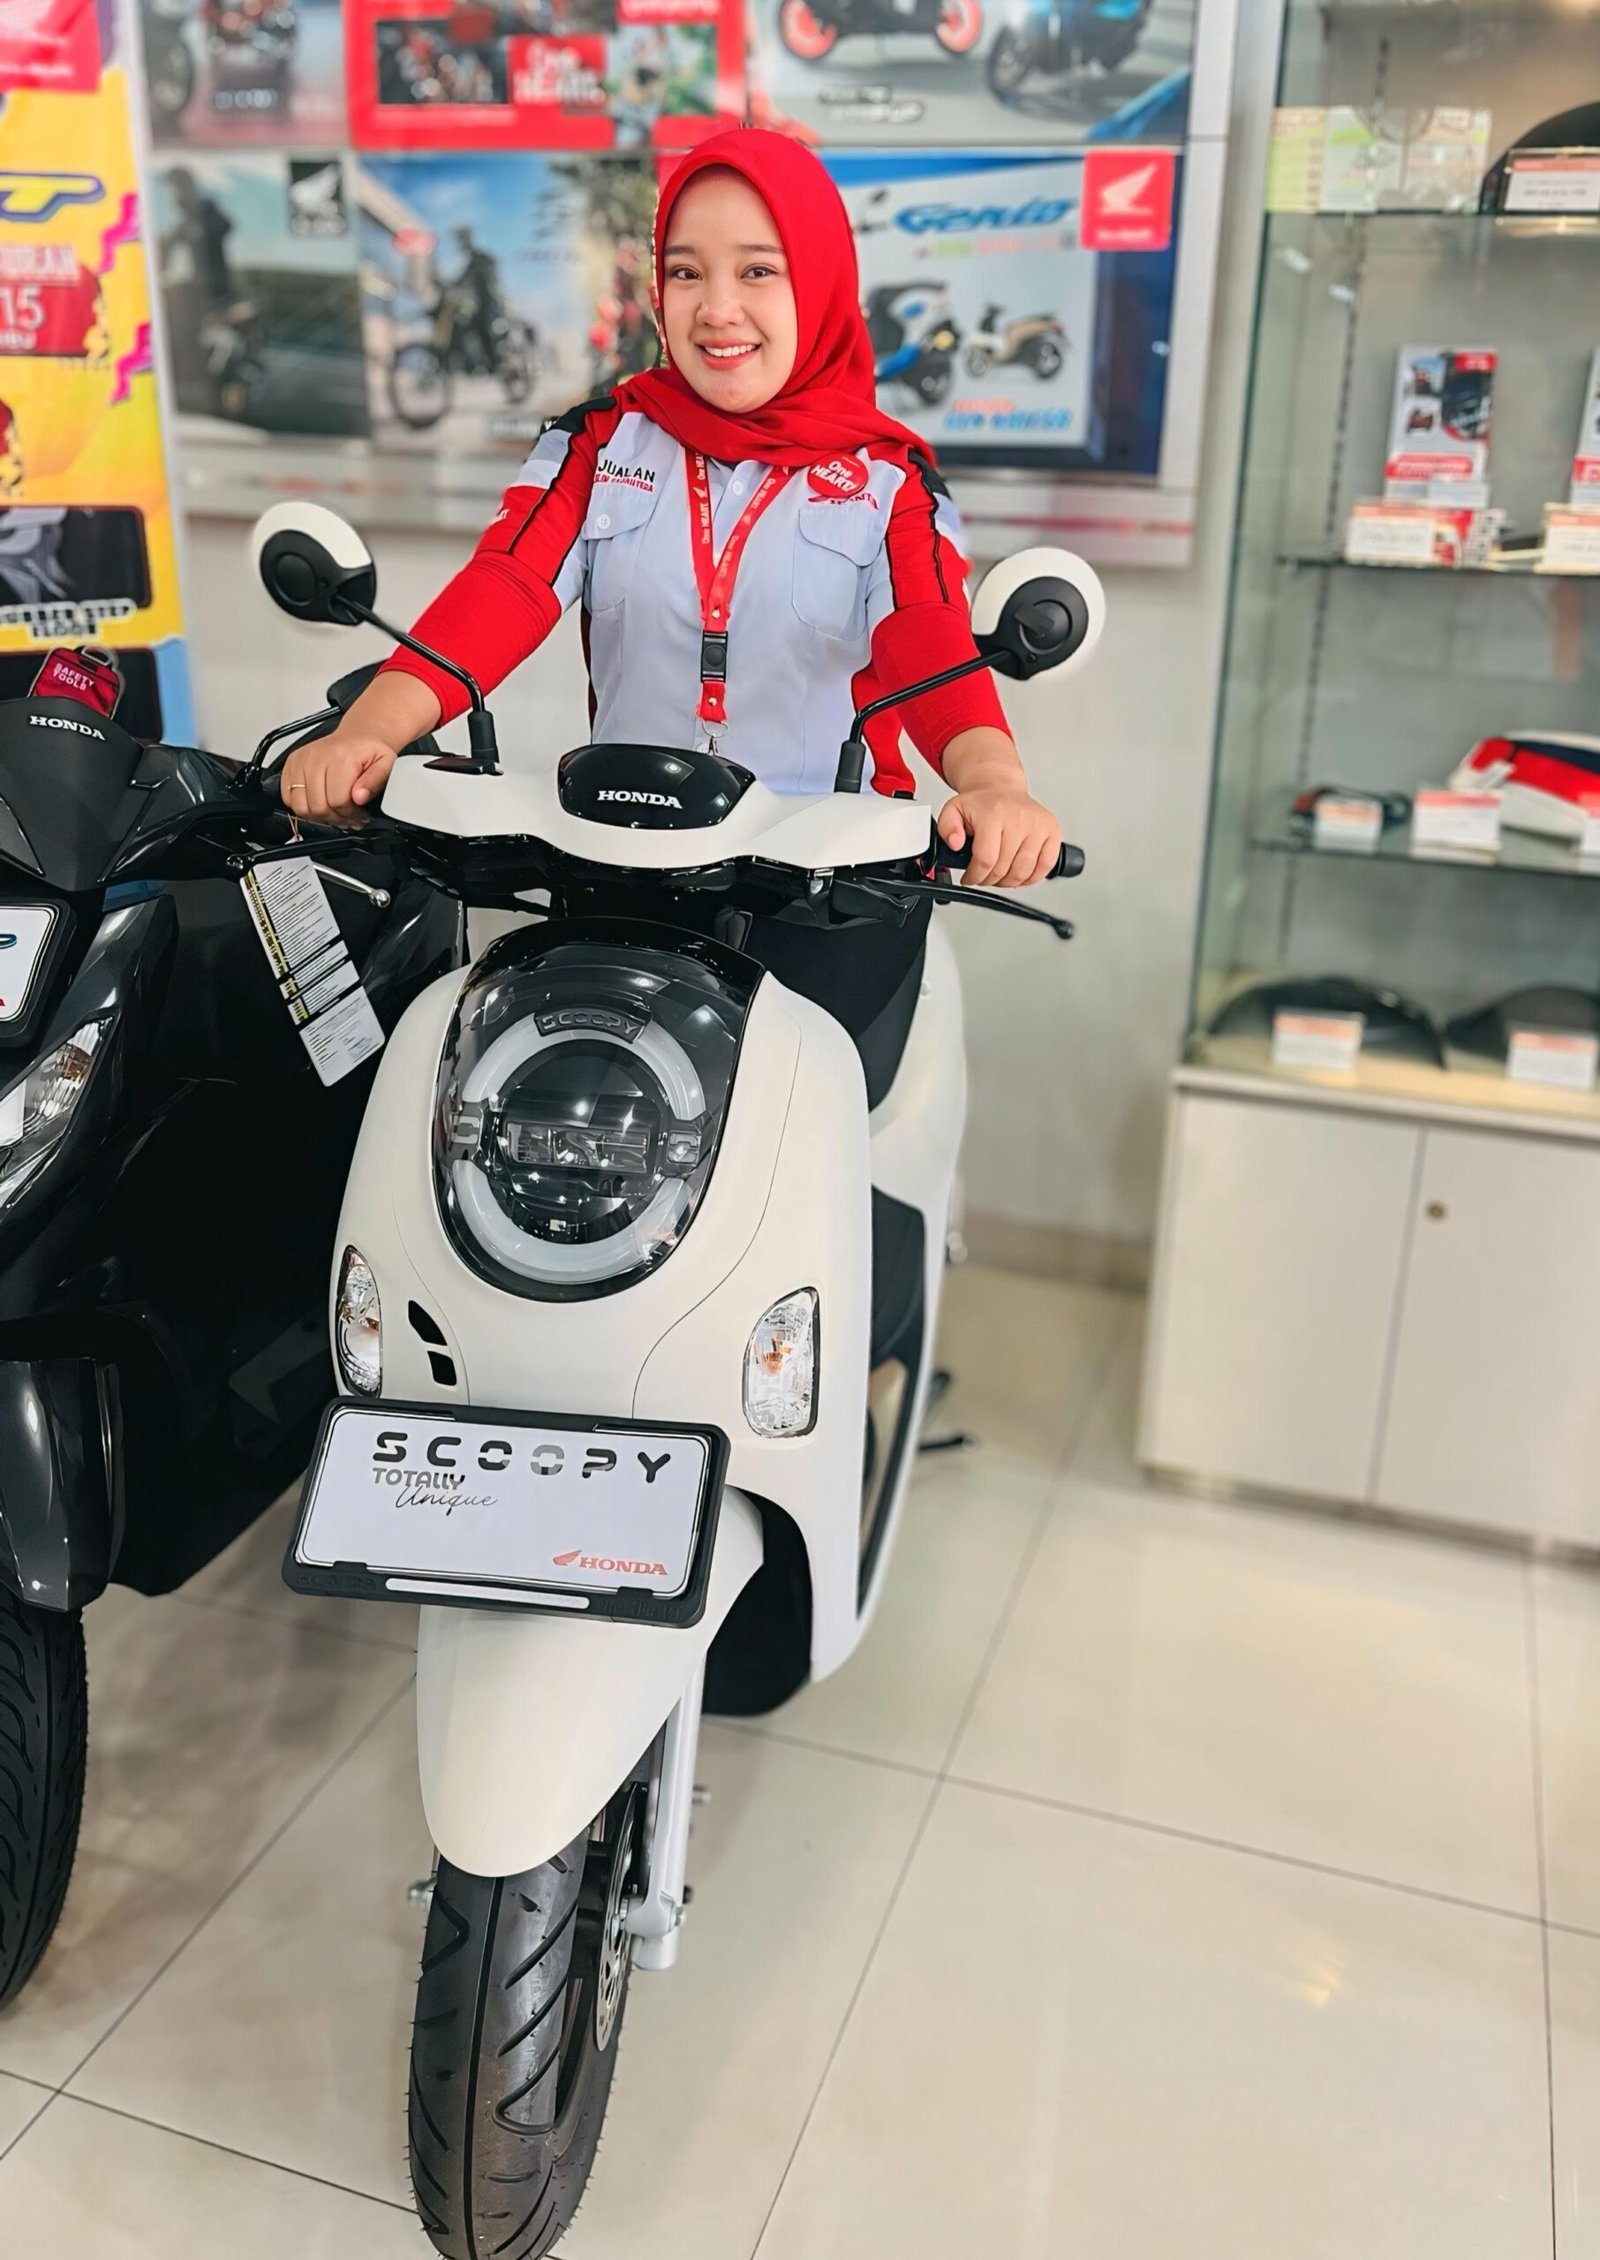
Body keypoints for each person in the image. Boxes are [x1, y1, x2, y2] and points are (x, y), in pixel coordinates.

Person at [281, 130, 1062, 1046]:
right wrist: (369, 731)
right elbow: (505, 587)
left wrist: (995, 783)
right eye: (686, 273)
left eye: (758, 271)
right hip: (618, 873)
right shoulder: (598, 439)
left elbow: (926, 636)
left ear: (819, 282)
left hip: (828, 899)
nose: (718, 310)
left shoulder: (893, 481)